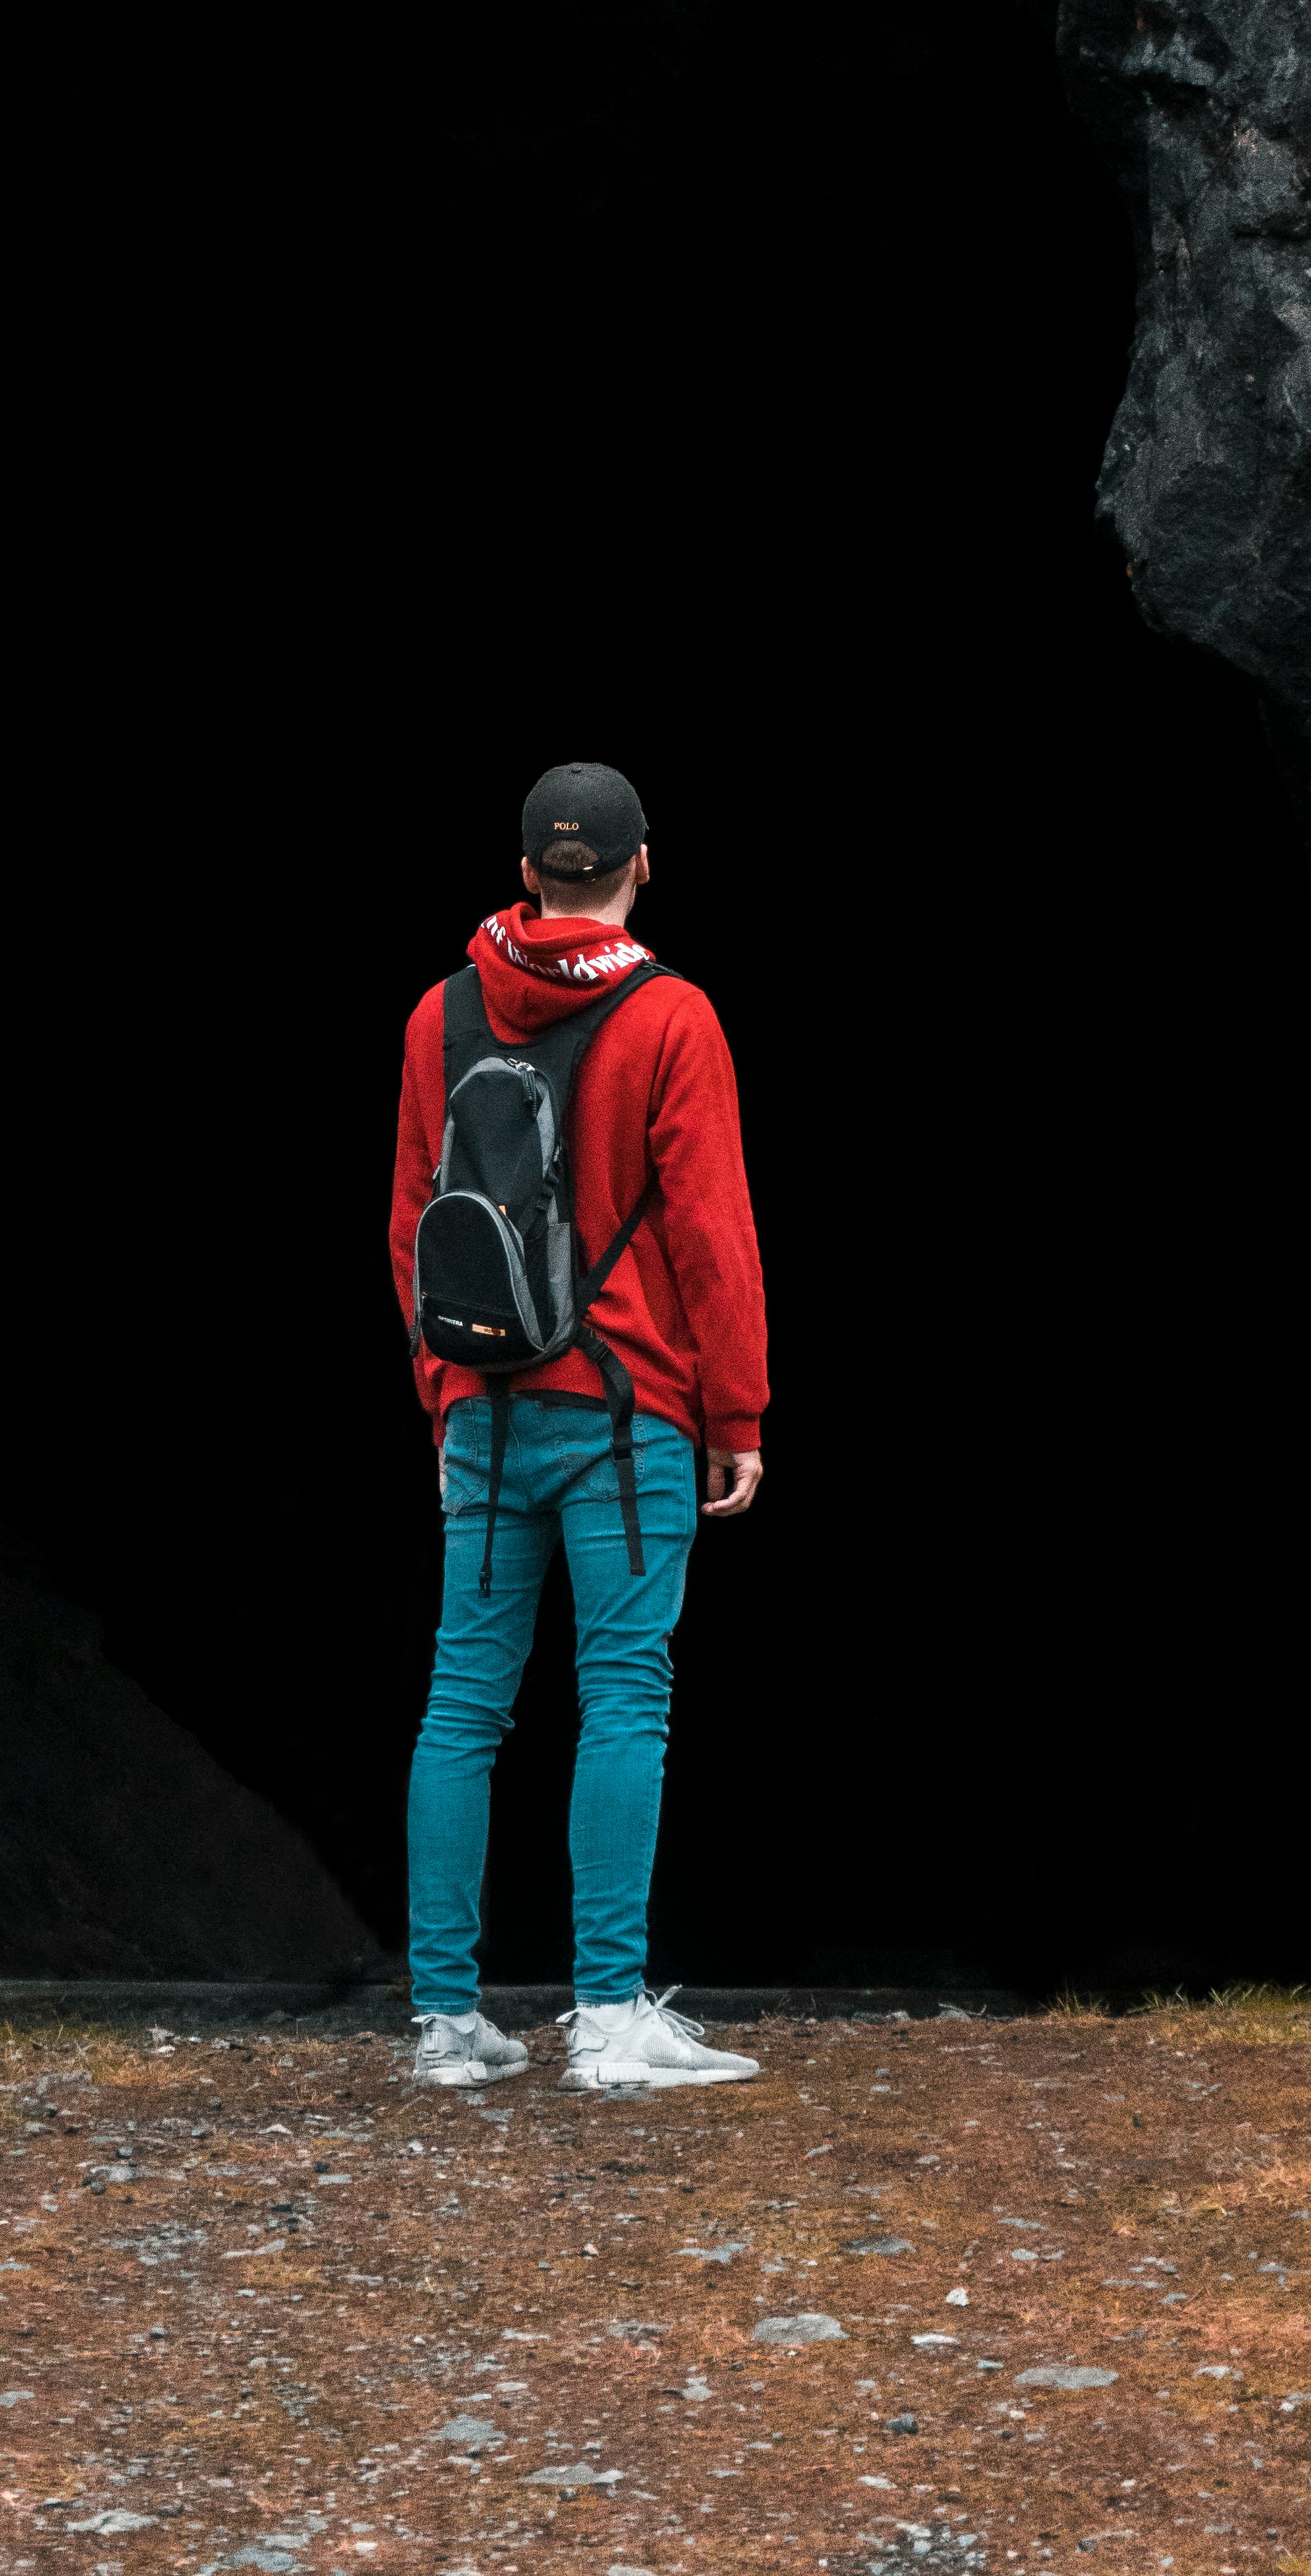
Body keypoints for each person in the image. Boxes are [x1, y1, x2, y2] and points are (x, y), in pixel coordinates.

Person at [388, 759, 769, 2092]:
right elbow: (709, 1234)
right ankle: (608, 2018)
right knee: (622, 1696)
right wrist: (736, 1409)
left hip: (482, 1414)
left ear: (524, 873)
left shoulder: (437, 1017)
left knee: (461, 1705)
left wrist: (442, 1395)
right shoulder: (672, 1018)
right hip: (626, 1417)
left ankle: (447, 2025)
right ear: (640, 865)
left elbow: (405, 1230)